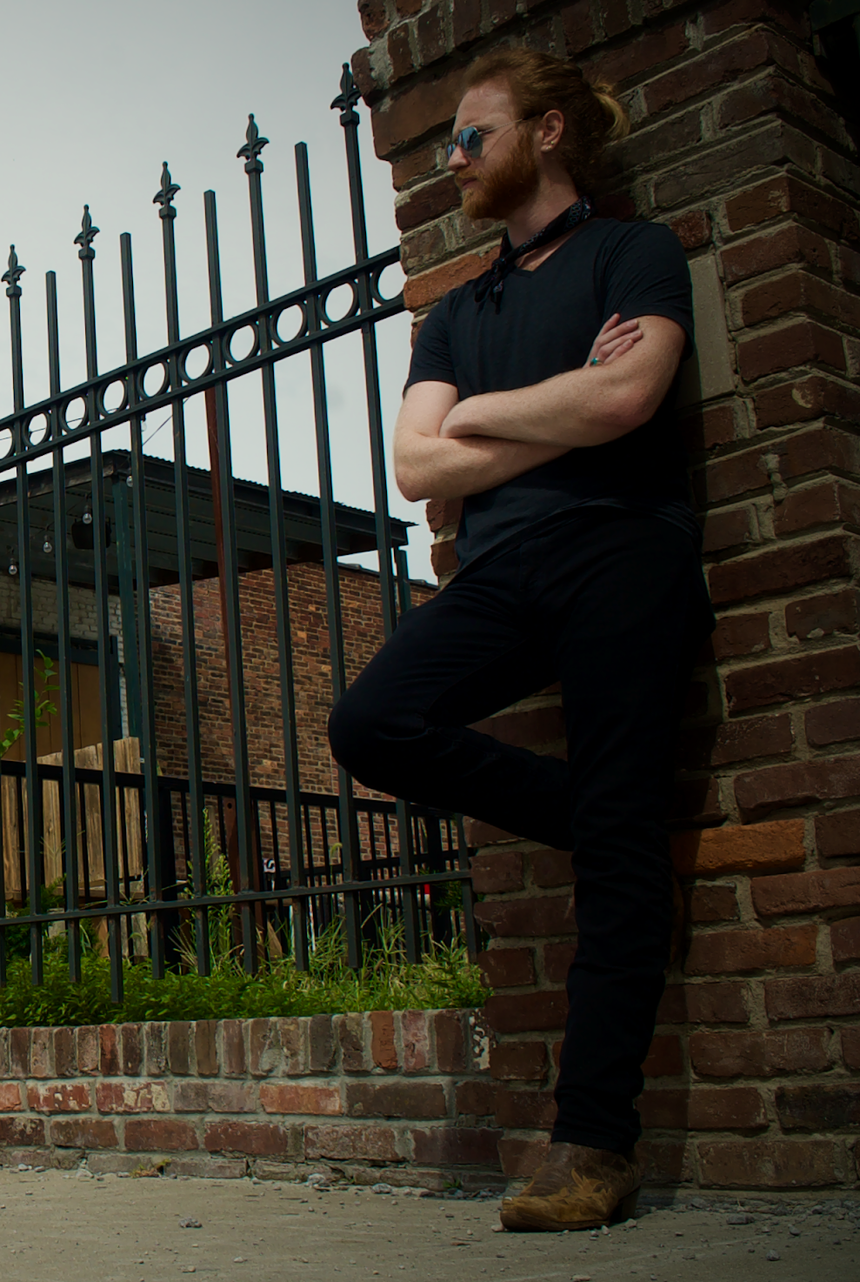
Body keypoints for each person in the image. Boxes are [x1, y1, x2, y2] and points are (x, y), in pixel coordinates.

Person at [326, 47, 714, 1231]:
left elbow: (626, 403)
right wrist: (552, 406)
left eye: (471, 135)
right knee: (372, 721)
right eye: (442, 140)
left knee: (615, 848)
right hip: (501, 572)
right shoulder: (457, 311)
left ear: (546, 133)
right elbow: (414, 466)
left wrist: (488, 425)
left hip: (622, 552)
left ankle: (595, 1149)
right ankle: (606, 820)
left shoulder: (631, 253)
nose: (452, 157)